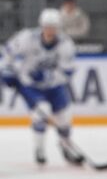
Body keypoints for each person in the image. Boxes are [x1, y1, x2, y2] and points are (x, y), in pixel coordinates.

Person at [1, 9, 80, 167]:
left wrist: (49, 77)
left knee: (64, 119)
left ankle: (66, 148)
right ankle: (40, 150)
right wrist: (7, 70)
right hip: (30, 85)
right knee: (41, 113)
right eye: (47, 26)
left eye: (54, 27)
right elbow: (8, 51)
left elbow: (68, 71)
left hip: (54, 86)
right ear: (41, 26)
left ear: (59, 28)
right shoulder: (27, 38)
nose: (50, 30)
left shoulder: (66, 44)